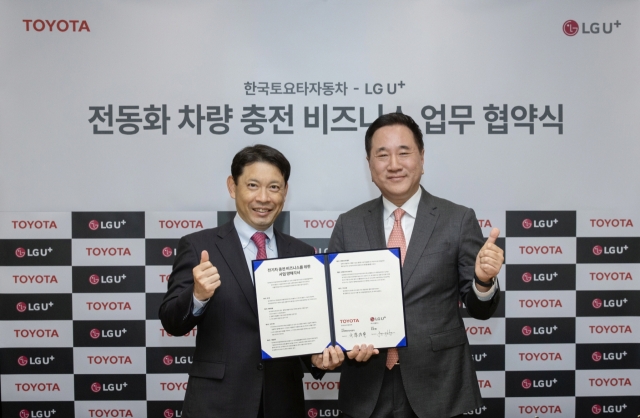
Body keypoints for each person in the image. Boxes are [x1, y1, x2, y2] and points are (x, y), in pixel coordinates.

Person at [329, 113, 504, 418]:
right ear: (370, 165)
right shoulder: (349, 225)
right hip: (366, 386)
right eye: (382, 155)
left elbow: (481, 309)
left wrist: (483, 281)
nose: (394, 164)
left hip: (439, 386)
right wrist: (342, 341)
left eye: (404, 152)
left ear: (422, 158)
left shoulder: (457, 219)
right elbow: (334, 306)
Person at [159, 144, 343, 418]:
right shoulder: (198, 246)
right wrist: (197, 296)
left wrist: (317, 359)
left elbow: (303, 329)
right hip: (217, 404)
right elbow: (171, 321)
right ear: (233, 187)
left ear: (285, 192)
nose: (263, 198)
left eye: (274, 187)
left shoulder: (302, 253)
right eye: (253, 185)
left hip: (282, 403)